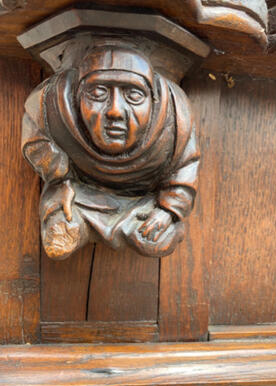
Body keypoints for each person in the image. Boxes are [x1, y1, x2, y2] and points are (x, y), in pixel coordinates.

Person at [22, 44, 200, 259]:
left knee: (156, 240)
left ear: (153, 98)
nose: (115, 110)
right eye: (98, 93)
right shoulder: (54, 105)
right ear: (77, 95)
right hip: (80, 198)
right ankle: (77, 227)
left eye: (133, 95)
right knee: (61, 234)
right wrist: (61, 180)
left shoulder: (174, 115)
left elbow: (185, 166)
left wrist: (168, 210)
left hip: (142, 206)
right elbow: (36, 139)